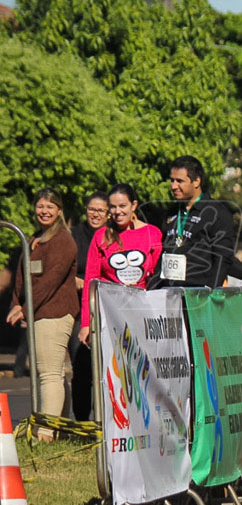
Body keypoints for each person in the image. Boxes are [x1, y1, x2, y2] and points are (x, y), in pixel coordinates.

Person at [6, 188, 79, 431]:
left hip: (55, 314)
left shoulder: (63, 241)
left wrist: (24, 310)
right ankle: (61, 428)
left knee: (48, 375)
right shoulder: (36, 239)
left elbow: (50, 282)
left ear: (59, 210)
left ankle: (46, 433)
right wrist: (16, 303)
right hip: (39, 312)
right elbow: (22, 279)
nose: (44, 211)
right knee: (55, 374)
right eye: (40, 206)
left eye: (50, 206)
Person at [78, 184, 163, 350]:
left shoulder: (152, 233)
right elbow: (90, 281)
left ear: (134, 205)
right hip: (109, 316)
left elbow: (157, 277)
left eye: (123, 206)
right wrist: (87, 322)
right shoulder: (101, 236)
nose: (117, 212)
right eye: (113, 207)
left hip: (143, 314)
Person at [150, 155, 242, 289]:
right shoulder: (171, 212)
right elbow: (163, 253)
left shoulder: (217, 213)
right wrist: (152, 290)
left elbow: (223, 258)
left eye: (179, 181)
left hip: (198, 294)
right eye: (172, 180)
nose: (173, 186)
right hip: (169, 292)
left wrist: (209, 293)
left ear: (196, 181)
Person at [68, 190, 107, 420]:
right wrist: (77, 281)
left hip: (106, 309)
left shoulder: (113, 235)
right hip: (80, 310)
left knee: (105, 369)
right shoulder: (73, 235)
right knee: (81, 367)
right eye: (91, 209)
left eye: (100, 210)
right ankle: (82, 420)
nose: (95, 214)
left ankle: (104, 421)